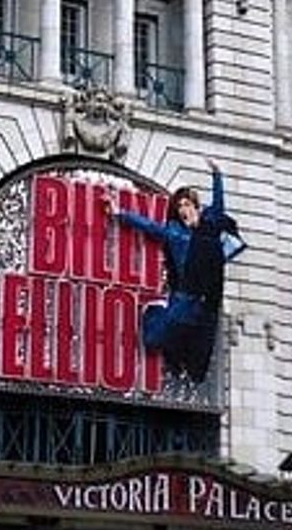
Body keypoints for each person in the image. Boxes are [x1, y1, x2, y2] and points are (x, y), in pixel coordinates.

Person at [103, 159, 242, 383]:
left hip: (206, 301)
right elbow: (149, 226)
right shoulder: (175, 233)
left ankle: (184, 366)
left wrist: (217, 175)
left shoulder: (210, 225)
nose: (184, 210)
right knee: (153, 338)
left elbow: (219, 204)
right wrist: (119, 212)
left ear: (196, 206)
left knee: (199, 358)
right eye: (180, 207)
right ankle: (156, 310)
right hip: (184, 297)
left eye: (188, 205)